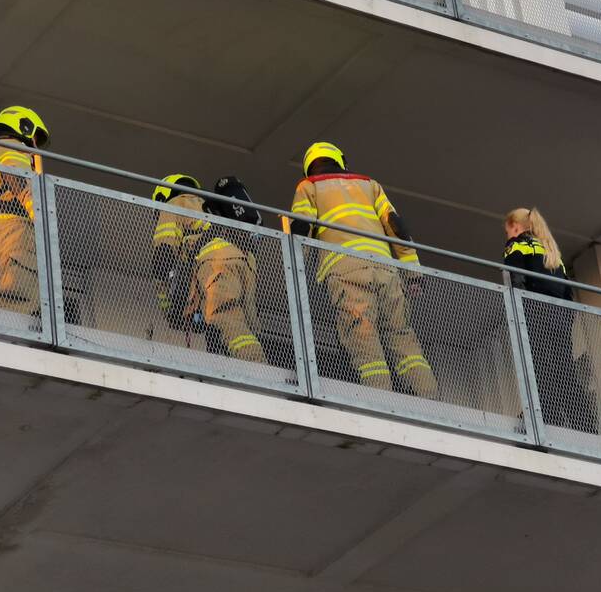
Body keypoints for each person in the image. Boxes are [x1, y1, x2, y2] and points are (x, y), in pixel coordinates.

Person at [290, 142, 438, 399]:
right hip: (385, 271)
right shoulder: (368, 184)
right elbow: (397, 228)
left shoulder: (309, 187)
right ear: (340, 160)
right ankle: (432, 401)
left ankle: (380, 401)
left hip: (345, 271)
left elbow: (300, 229)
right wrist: (413, 273)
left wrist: (295, 269)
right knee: (402, 338)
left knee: (363, 339)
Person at [152, 174, 265, 364]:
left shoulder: (175, 203)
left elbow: (164, 251)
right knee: (246, 324)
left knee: (224, 317)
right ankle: (244, 365)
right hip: (246, 264)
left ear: (162, 197)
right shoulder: (212, 206)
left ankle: (257, 368)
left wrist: (170, 307)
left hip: (216, 263)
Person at [503, 208, 596, 433]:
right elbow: (568, 295)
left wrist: (520, 314)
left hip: (536, 313)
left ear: (515, 227)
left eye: (507, 230)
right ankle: (586, 427)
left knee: (539, 369)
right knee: (564, 372)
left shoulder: (517, 245)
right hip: (559, 319)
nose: (507, 235)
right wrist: (564, 320)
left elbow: (516, 281)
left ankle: (541, 421)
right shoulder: (552, 253)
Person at [0, 106, 47, 316]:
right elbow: (15, 175)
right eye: (36, 137)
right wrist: (38, 215)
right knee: (17, 304)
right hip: (13, 233)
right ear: (24, 126)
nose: (35, 145)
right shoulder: (12, 146)